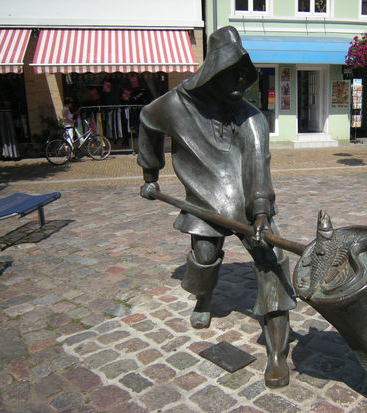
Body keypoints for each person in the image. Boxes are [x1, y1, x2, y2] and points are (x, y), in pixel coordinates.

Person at [137, 26, 296, 389]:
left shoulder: (251, 118)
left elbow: (258, 167)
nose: (241, 83)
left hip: (249, 206)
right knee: (204, 255)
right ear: (213, 72)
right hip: (202, 201)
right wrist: (150, 173)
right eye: (233, 74)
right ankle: (203, 299)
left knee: (271, 263)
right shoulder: (172, 106)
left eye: (244, 74)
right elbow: (147, 121)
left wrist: (260, 212)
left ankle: (276, 353)